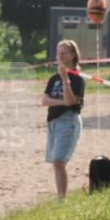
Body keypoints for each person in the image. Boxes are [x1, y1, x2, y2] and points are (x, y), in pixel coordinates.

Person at [41, 40, 85, 201]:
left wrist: (65, 78)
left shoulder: (77, 79)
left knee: (59, 160)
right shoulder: (54, 78)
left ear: (73, 55)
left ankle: (62, 198)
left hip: (68, 121)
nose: (60, 56)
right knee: (55, 161)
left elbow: (72, 101)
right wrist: (61, 102)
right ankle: (60, 197)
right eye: (58, 52)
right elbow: (44, 100)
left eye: (64, 53)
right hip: (53, 121)